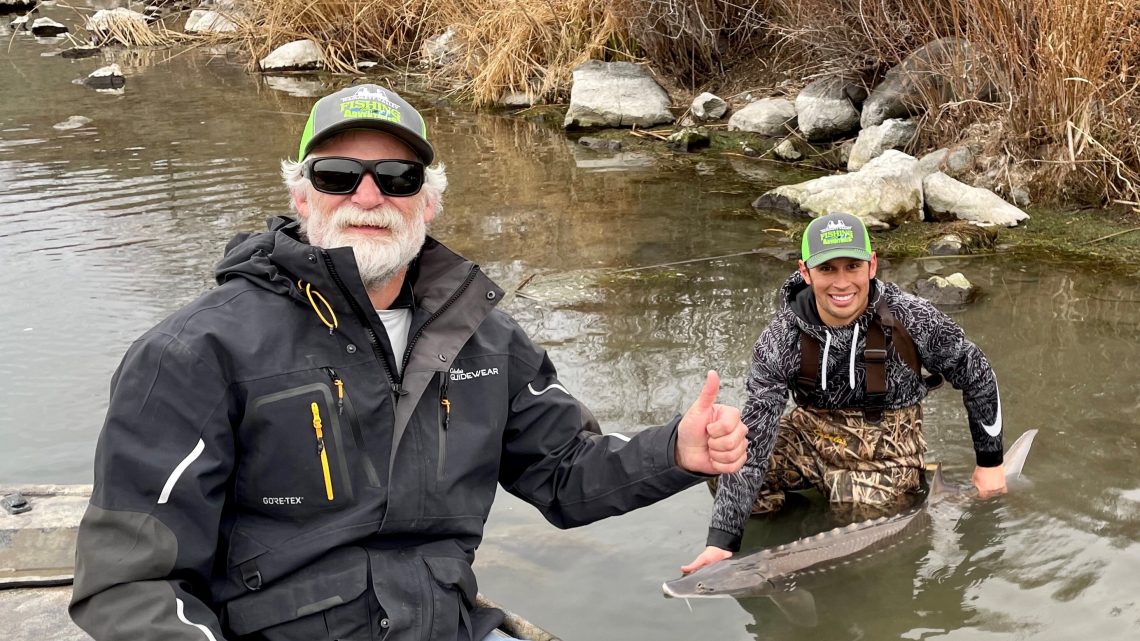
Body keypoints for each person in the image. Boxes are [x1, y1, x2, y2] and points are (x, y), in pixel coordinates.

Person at [68, 84, 748, 641]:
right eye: (338, 176)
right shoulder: (193, 353)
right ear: (301, 197)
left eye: (397, 177)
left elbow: (567, 474)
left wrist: (678, 451)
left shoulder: (489, 340)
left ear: (429, 200)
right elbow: (131, 584)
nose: (369, 198)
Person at [682, 212, 1006, 573]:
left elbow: (977, 373)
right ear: (805, 272)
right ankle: (778, 553)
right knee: (720, 463)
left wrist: (990, 464)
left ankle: (901, 498)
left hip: (884, 449)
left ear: (871, 265)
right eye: (827, 270)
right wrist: (721, 540)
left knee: (859, 537)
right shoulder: (779, 339)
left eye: (852, 266)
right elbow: (755, 437)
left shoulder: (912, 317)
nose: (841, 283)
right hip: (811, 436)